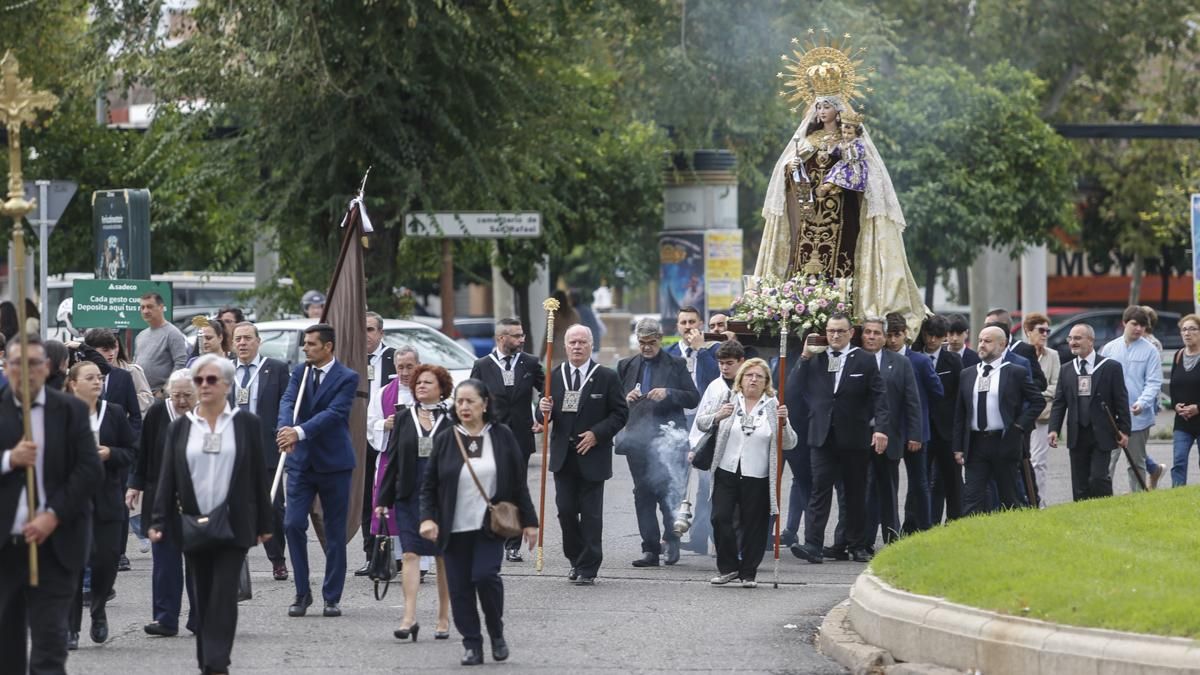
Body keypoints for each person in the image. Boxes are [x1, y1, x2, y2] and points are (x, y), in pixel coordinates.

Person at [754, 56, 925, 335]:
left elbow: (869, 178)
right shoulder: (807, 141)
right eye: (818, 106)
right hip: (809, 215)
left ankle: (843, 306)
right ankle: (804, 303)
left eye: (826, 106)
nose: (821, 111)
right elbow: (785, 173)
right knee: (804, 256)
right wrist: (792, 168)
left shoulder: (851, 142)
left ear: (837, 109)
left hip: (842, 214)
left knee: (843, 258)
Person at [149, 354, 274, 675]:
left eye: (211, 380)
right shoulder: (181, 428)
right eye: (199, 380)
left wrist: (265, 522)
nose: (204, 385)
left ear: (227, 386)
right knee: (203, 596)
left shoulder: (246, 424)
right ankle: (208, 659)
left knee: (223, 594)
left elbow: (259, 475)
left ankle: (217, 662)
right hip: (193, 522)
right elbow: (168, 478)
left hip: (234, 523)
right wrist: (159, 520)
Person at [0, 335, 102, 673]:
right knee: (7, 650)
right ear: (6, 367)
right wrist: (9, 460)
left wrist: (52, 514)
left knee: (49, 645)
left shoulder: (70, 411)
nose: (25, 372)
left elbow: (88, 471)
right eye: (17, 364)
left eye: (33, 364)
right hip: (6, 545)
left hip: (56, 544)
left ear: (46, 368)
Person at [419, 379, 538, 666]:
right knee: (459, 589)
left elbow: (519, 483)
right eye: (459, 401)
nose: (464, 407)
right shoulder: (447, 438)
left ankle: (496, 633)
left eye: (470, 401)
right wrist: (427, 518)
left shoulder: (502, 435)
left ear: (485, 404)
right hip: (453, 528)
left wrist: (530, 522)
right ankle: (472, 643)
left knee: (485, 577)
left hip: (489, 526)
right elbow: (429, 485)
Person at [789, 313, 888, 565]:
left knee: (854, 493)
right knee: (819, 491)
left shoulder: (864, 360)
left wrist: (881, 428)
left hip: (854, 437)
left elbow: (879, 396)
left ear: (850, 333)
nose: (835, 336)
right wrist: (804, 357)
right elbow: (791, 390)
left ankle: (857, 544)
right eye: (831, 331)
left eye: (840, 331)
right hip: (822, 436)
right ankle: (813, 543)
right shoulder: (815, 359)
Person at [277, 323, 358, 618]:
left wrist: (297, 432)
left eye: (312, 344)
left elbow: (335, 414)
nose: (306, 348)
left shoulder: (347, 377)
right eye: (305, 343)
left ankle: (331, 596)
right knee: (293, 524)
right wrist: (284, 428)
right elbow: (287, 400)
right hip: (301, 463)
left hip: (334, 463)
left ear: (328, 347)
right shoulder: (300, 372)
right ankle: (302, 592)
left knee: (335, 531)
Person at [537, 325, 628, 585]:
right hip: (563, 456)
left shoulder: (606, 377)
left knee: (590, 515)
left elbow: (620, 413)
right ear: (565, 346)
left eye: (582, 342)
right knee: (565, 511)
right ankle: (575, 558)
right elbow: (544, 416)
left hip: (592, 455)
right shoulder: (554, 375)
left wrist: (597, 434)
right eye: (572, 342)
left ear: (591, 345)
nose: (577, 347)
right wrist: (542, 410)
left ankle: (588, 566)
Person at [697, 359, 795, 587]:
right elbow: (702, 423)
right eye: (749, 375)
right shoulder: (728, 400)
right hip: (727, 470)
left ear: (766, 383)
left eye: (759, 377)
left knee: (755, 525)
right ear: (740, 379)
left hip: (757, 474)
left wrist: (784, 423)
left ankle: (749, 572)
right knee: (720, 518)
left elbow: (789, 443)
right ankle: (728, 567)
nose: (753, 379)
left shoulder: (773, 406)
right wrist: (718, 416)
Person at [375, 364, 454, 640]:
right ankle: (408, 617)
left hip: (442, 499)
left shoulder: (452, 417)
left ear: (441, 388)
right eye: (418, 382)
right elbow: (392, 460)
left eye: (428, 382)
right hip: (408, 495)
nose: (420, 386)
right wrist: (383, 499)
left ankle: (443, 616)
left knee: (443, 557)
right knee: (409, 553)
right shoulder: (404, 417)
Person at [616, 318, 700, 567]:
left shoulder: (676, 364)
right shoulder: (626, 365)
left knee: (667, 493)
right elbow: (614, 403)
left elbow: (693, 398)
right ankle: (650, 550)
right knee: (642, 494)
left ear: (660, 340)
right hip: (637, 441)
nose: (646, 347)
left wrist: (669, 393)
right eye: (642, 342)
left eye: (650, 342)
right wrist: (625, 398)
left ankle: (671, 540)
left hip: (668, 439)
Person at [65, 361, 136, 649]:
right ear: (73, 384)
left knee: (106, 562)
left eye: (100, 377)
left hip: (107, 498)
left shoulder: (114, 412)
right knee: (72, 565)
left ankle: (98, 609)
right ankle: (71, 628)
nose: (97, 382)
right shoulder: (62, 414)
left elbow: (131, 451)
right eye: (90, 377)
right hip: (71, 501)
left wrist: (110, 453)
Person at [127, 369, 198, 637]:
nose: (181, 401)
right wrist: (134, 485)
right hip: (161, 497)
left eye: (187, 395)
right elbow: (143, 452)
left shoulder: (204, 416)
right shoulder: (158, 413)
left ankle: (200, 617)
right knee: (165, 561)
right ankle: (165, 618)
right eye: (176, 394)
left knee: (197, 560)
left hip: (196, 499)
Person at [469, 317, 544, 563]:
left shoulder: (530, 363)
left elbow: (549, 391)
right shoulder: (482, 365)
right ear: (501, 338)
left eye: (522, 334)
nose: (522, 339)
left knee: (515, 487)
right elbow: (471, 397)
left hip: (521, 437)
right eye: (516, 335)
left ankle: (512, 543)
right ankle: (487, 535)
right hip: (491, 435)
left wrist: (541, 416)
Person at [954, 326, 1043, 515]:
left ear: (1002, 345)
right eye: (980, 340)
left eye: (988, 341)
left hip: (1004, 441)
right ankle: (971, 538)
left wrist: (1018, 427)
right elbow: (961, 413)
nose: (982, 345)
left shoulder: (1014, 372)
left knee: (1009, 496)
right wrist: (958, 447)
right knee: (972, 497)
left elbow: (1037, 401)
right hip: (976, 444)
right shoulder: (968, 374)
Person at [231, 321, 292, 580]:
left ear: (258, 341)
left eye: (247, 338)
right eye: (238, 339)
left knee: (272, 506)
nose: (242, 343)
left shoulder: (275, 369)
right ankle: (233, 560)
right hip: (232, 448)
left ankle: (277, 558)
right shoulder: (224, 370)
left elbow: (285, 405)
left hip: (265, 448)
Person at [1049, 324, 1131, 500]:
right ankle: (1082, 518)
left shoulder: (1110, 367)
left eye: (1078, 338)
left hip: (1102, 433)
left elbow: (1121, 400)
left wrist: (1124, 430)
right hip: (1077, 434)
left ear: (1091, 341)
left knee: (1098, 478)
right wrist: (1053, 429)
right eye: (1070, 339)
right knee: (1080, 484)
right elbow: (1059, 402)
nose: (1073, 342)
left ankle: (1105, 510)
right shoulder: (1066, 370)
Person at [665, 305, 719, 555]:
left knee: (706, 482)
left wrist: (701, 350)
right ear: (677, 326)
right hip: (678, 423)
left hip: (705, 424)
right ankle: (672, 535)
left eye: (692, 322)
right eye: (683, 322)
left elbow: (715, 380)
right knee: (675, 480)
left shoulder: (713, 352)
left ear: (701, 325)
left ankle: (702, 536)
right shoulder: (670, 353)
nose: (688, 327)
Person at [886, 312, 942, 534]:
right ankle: (894, 528)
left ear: (905, 335)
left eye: (897, 335)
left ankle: (924, 526)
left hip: (915, 430)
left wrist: (918, 427)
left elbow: (937, 390)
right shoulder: (881, 358)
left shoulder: (919, 360)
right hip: (890, 430)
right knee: (889, 483)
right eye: (889, 335)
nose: (892, 340)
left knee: (919, 482)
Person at [687, 340, 745, 552]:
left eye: (729, 363)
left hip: (743, 455)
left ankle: (738, 551)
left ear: (741, 362)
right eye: (721, 363)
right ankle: (716, 545)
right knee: (718, 507)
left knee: (741, 508)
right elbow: (701, 418)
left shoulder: (751, 383)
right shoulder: (714, 386)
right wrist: (695, 447)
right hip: (717, 455)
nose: (724, 367)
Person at [1099, 306, 1160, 493]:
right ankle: (1103, 496)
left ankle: (1139, 497)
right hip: (1112, 416)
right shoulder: (1109, 348)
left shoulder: (1150, 351)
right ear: (1124, 323)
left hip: (1138, 417)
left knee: (1136, 462)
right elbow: (1100, 380)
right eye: (1134, 324)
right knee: (1108, 460)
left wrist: (1143, 402)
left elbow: (1154, 382)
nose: (1138, 329)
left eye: (1142, 325)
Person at [356, 311, 396, 576]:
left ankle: (393, 553)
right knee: (364, 498)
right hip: (359, 434)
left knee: (386, 493)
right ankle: (370, 554)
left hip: (388, 436)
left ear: (381, 333)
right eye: (363, 330)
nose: (366, 335)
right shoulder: (351, 358)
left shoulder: (395, 359)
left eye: (370, 330)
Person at [920, 315, 964, 523]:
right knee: (923, 479)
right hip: (924, 428)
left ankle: (955, 520)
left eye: (937, 336)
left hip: (947, 430)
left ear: (943, 337)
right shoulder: (916, 357)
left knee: (953, 480)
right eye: (929, 336)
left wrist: (958, 431)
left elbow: (960, 397)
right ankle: (925, 521)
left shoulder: (953, 360)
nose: (932, 341)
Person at [1023, 312, 1061, 507]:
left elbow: (1056, 385)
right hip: (1022, 416)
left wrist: (1037, 395)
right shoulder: (1019, 353)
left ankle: (1040, 502)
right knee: (1023, 459)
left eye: (1048, 330)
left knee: (1039, 461)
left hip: (1043, 415)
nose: (1045, 334)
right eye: (1041, 330)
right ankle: (1024, 499)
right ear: (1028, 331)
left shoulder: (1053, 355)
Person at [135, 292, 190, 394]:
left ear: (161, 307)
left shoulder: (173, 333)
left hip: (160, 396)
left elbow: (180, 364)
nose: (145, 311)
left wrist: (164, 391)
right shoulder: (140, 336)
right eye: (142, 307)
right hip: (142, 395)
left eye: (149, 307)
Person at [1138, 305, 1167, 487]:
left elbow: (1152, 377)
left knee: (1135, 444)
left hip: (1145, 399)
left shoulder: (1152, 344)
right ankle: (1152, 469)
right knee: (1131, 443)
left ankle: (1152, 470)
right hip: (1133, 398)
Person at [1170, 314, 1200, 487]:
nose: (1187, 333)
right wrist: (1176, 405)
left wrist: (1198, 408)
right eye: (1184, 329)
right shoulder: (1178, 356)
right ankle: (1177, 495)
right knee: (1179, 461)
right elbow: (1173, 386)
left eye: (1192, 329)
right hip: (1182, 421)